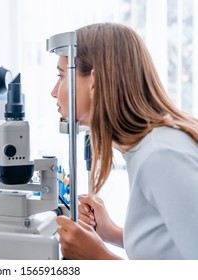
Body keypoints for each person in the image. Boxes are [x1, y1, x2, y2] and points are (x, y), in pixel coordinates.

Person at [52, 23, 198, 259]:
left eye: (62, 76)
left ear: (94, 81)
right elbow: (171, 247)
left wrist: (100, 257)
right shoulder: (146, 148)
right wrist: (113, 233)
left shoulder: (162, 156)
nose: (54, 92)